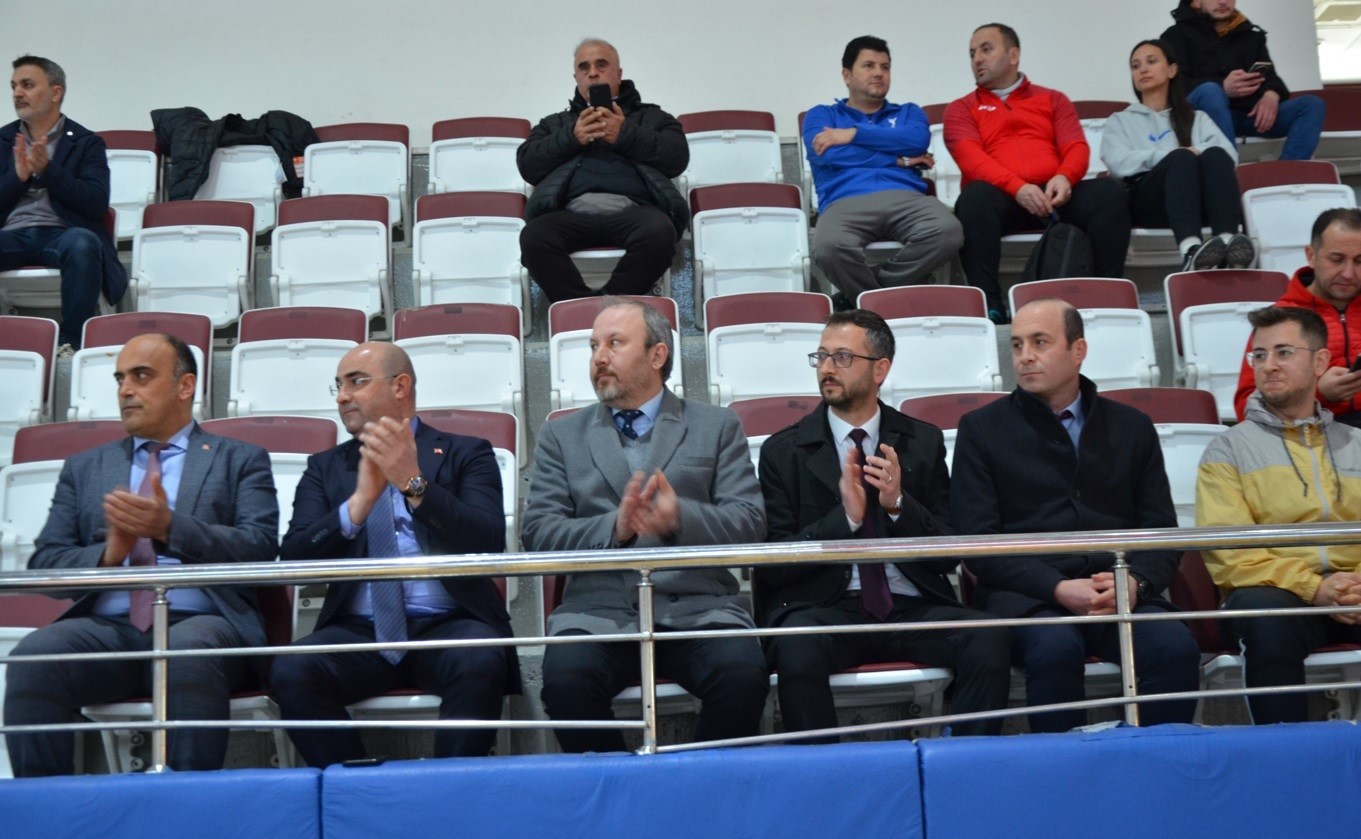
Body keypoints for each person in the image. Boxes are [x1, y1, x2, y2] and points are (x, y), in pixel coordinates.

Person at [3, 333, 277, 776]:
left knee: (187, 650)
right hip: (109, 630)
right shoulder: (85, 467)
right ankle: (45, 805)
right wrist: (110, 555)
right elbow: (46, 564)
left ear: (185, 386)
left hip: (203, 623)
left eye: (141, 376)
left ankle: (185, 804)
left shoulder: (239, 459)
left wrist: (169, 528)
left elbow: (260, 549)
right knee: (35, 658)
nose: (126, 390)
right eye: (120, 379)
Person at [521, 297, 768, 752]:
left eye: (614, 343)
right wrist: (614, 529)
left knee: (743, 676)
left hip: (698, 610)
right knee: (566, 684)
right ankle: (621, 790)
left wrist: (682, 519)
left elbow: (750, 522)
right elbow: (537, 533)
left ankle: (695, 788)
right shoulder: (562, 435)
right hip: (598, 615)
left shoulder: (716, 425)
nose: (599, 357)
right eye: (594, 346)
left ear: (657, 355)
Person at [755, 309, 1009, 740]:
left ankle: (962, 764)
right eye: (821, 356)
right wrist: (846, 519)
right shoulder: (784, 451)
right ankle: (824, 770)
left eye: (842, 357)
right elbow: (774, 564)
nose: (827, 368)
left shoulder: (922, 441)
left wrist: (898, 506)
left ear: (880, 369)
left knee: (988, 639)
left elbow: (949, 553)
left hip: (911, 604)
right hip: (825, 609)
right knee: (797, 648)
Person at [951, 299, 1201, 732]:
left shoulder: (1132, 426)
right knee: (1054, 649)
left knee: (1174, 645)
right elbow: (978, 542)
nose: (1025, 356)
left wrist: (1135, 583)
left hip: (1116, 590)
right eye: (1017, 345)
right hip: (1028, 598)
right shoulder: (981, 429)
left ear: (1078, 350)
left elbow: (1161, 531)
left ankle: (1155, 764)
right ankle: (1063, 772)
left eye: (1040, 342)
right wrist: (1057, 587)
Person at [271, 342, 517, 765]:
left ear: (400, 386)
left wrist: (414, 484)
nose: (342, 396)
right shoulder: (325, 467)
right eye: (338, 385)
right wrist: (358, 506)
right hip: (358, 630)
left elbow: (488, 540)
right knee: (292, 670)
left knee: (480, 657)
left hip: (449, 623)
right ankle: (356, 788)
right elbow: (295, 558)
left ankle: (449, 790)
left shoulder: (466, 452)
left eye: (356, 382)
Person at [1198, 306, 1361, 725]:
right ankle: (1282, 754)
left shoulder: (1356, 442)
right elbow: (1230, 554)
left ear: (1320, 362)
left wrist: (1353, 586)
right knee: (1266, 618)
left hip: (1354, 589)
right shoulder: (1228, 449)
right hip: (1276, 592)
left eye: (1284, 352)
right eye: (1260, 355)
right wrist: (1314, 587)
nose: (1268, 365)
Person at [944, 24, 1131, 324]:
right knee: (973, 199)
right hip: (1002, 199)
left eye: (986, 49)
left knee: (1108, 193)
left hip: (1055, 196)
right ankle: (990, 305)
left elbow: (1076, 146)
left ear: (1013, 55)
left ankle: (1106, 296)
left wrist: (1065, 177)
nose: (977, 58)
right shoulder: (961, 109)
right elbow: (972, 160)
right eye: (972, 53)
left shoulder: (1053, 99)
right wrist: (1017, 187)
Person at [517, 39, 688, 303]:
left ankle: (608, 306)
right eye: (584, 68)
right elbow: (528, 165)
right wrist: (572, 137)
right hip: (570, 214)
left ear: (619, 74)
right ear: (576, 78)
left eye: (601, 65)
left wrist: (625, 134)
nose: (593, 73)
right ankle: (582, 307)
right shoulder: (555, 124)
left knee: (660, 232)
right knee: (534, 237)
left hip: (635, 212)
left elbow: (677, 157)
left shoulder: (654, 118)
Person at [803, 36, 963, 306]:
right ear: (847, 75)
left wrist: (854, 134)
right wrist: (899, 160)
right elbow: (830, 153)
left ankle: (866, 299)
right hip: (844, 200)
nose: (879, 73)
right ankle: (887, 300)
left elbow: (916, 140)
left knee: (948, 231)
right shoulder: (821, 115)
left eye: (885, 67)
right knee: (829, 248)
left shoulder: (909, 112)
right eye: (869, 65)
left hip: (906, 198)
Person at [0, 55, 126, 352]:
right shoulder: (3, 140)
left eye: (27, 85)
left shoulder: (86, 143)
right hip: (11, 234)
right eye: (14, 86)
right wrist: (18, 177)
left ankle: (72, 344)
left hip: (63, 233)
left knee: (83, 243)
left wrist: (48, 171)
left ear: (56, 92)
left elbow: (96, 203)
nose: (18, 93)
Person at [1102, 39, 1254, 273]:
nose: (1143, 69)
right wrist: (1172, 156)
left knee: (1214, 154)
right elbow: (1117, 162)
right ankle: (1191, 251)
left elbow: (1229, 156)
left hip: (1196, 201)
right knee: (1181, 159)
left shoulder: (1197, 118)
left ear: (1172, 70)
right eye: (1135, 66)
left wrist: (1194, 152)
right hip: (1147, 203)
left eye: (1151, 61)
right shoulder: (1120, 120)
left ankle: (1227, 244)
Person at [1232, 208, 1361, 428]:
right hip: (1305, 435)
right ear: (1311, 256)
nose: (1348, 273)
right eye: (1336, 259)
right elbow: (1246, 409)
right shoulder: (1279, 319)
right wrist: (1318, 394)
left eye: (1359, 261)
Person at [1161, 0, 1324, 162]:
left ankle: (1288, 173)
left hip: (1250, 115)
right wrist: (1223, 86)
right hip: (1203, 118)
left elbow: (1271, 78)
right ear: (1196, 3)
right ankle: (1228, 169)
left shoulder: (1252, 36)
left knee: (1312, 104)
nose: (1223, 1)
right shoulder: (1175, 36)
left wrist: (1271, 95)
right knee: (1211, 91)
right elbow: (1173, 85)